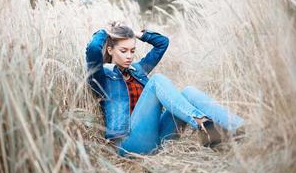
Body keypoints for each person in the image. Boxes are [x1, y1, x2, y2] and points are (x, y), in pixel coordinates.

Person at [85, 21, 244, 156]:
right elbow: (93, 49)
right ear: (110, 50)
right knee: (157, 81)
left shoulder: (138, 70)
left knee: (188, 91)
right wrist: (105, 32)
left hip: (158, 138)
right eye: (123, 51)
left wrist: (134, 33)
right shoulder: (102, 77)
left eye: (132, 51)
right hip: (128, 143)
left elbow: (162, 43)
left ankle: (239, 129)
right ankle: (202, 123)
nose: (129, 56)